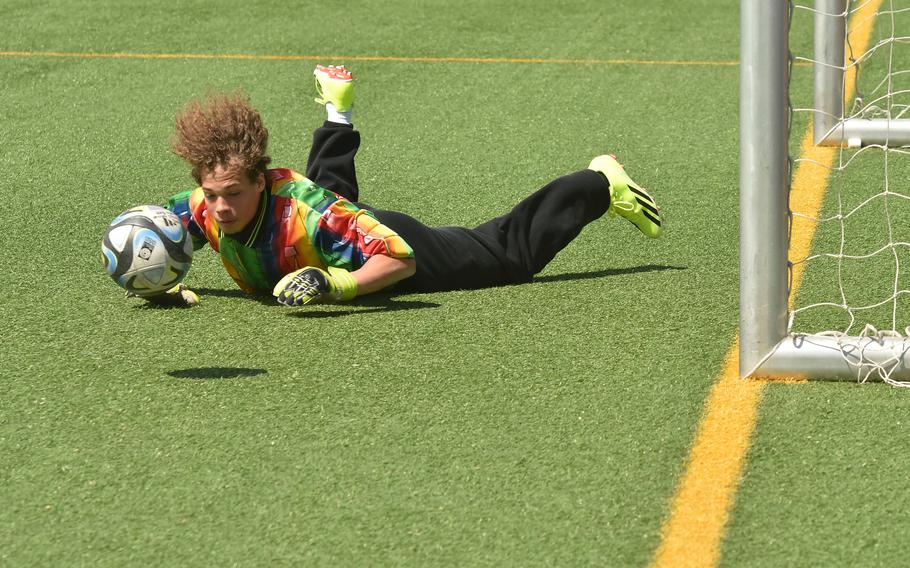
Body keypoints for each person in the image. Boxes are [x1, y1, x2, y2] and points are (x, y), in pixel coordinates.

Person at [148, 64, 662, 307]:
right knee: (331, 213)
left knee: (506, 256)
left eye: (233, 194)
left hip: (382, 243)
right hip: (330, 229)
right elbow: (158, 232)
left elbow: (400, 259)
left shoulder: (311, 214)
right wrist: (156, 279)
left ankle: (598, 182)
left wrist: (335, 285)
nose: (219, 208)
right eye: (211, 194)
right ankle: (337, 110)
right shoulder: (205, 203)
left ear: (259, 180)